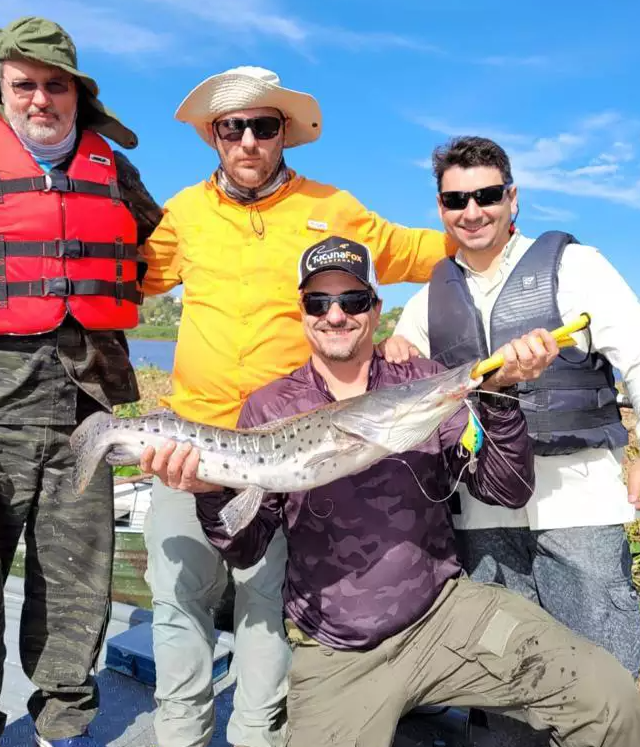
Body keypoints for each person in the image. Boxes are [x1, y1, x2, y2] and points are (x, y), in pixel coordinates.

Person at [143, 236, 640, 747]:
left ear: (375, 309)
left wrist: (500, 396)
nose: (336, 315)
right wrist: (208, 491)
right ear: (303, 312)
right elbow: (248, 546)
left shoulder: (420, 382)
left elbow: (507, 489)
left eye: (353, 300)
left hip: (444, 619)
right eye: (320, 302)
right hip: (338, 651)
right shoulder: (270, 407)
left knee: (610, 701)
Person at [139, 66, 456, 747]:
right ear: (213, 137)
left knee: (264, 609)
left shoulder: (334, 206)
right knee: (176, 606)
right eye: (234, 127)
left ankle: (257, 737)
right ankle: (181, 738)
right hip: (188, 446)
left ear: (285, 132)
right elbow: (121, 276)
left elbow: (418, 251)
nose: (249, 139)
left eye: (264, 125)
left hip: (290, 451)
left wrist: (496, 234)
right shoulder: (183, 214)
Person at [0, 17, 162, 747]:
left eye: (54, 85)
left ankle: (61, 729)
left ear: (78, 92)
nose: (40, 99)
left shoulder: (115, 170)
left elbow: (166, 251)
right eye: (25, 85)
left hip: (90, 409)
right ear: (1, 89)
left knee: (78, 586)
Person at [391, 135, 640, 678]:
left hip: (579, 504)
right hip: (481, 513)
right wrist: (391, 352)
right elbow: (394, 395)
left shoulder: (577, 267)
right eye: (455, 201)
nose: (472, 212)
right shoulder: (425, 303)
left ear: (513, 198)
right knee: (503, 677)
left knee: (599, 674)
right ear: (440, 210)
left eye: (487, 195)